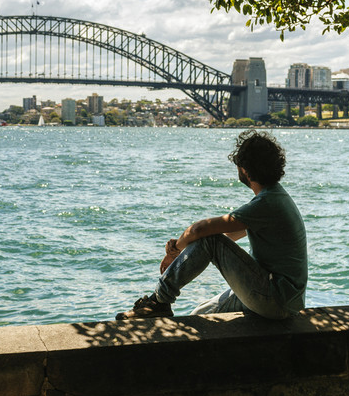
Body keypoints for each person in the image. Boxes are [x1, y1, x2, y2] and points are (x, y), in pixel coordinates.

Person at [117, 129, 307, 321]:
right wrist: (185, 251)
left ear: (245, 170)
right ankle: (160, 303)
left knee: (208, 238)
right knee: (199, 316)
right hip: (285, 300)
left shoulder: (266, 203)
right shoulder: (276, 198)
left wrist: (174, 250)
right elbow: (227, 240)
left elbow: (201, 230)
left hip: (275, 299)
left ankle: (159, 301)